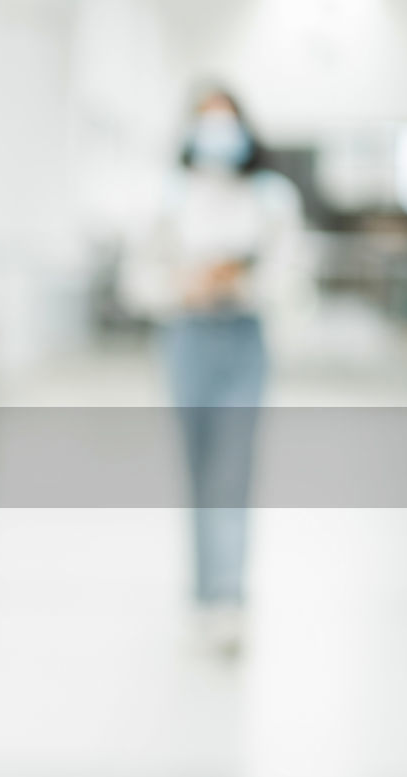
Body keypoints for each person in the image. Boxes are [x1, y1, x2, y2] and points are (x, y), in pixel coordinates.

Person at [121, 86, 306, 653]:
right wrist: (185, 285)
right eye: (208, 121)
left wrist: (239, 281)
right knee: (201, 471)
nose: (218, 133)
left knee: (232, 469)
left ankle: (228, 599)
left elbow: (290, 275)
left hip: (243, 340)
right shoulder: (167, 197)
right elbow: (138, 281)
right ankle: (204, 596)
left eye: (228, 121)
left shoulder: (271, 197)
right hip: (186, 339)